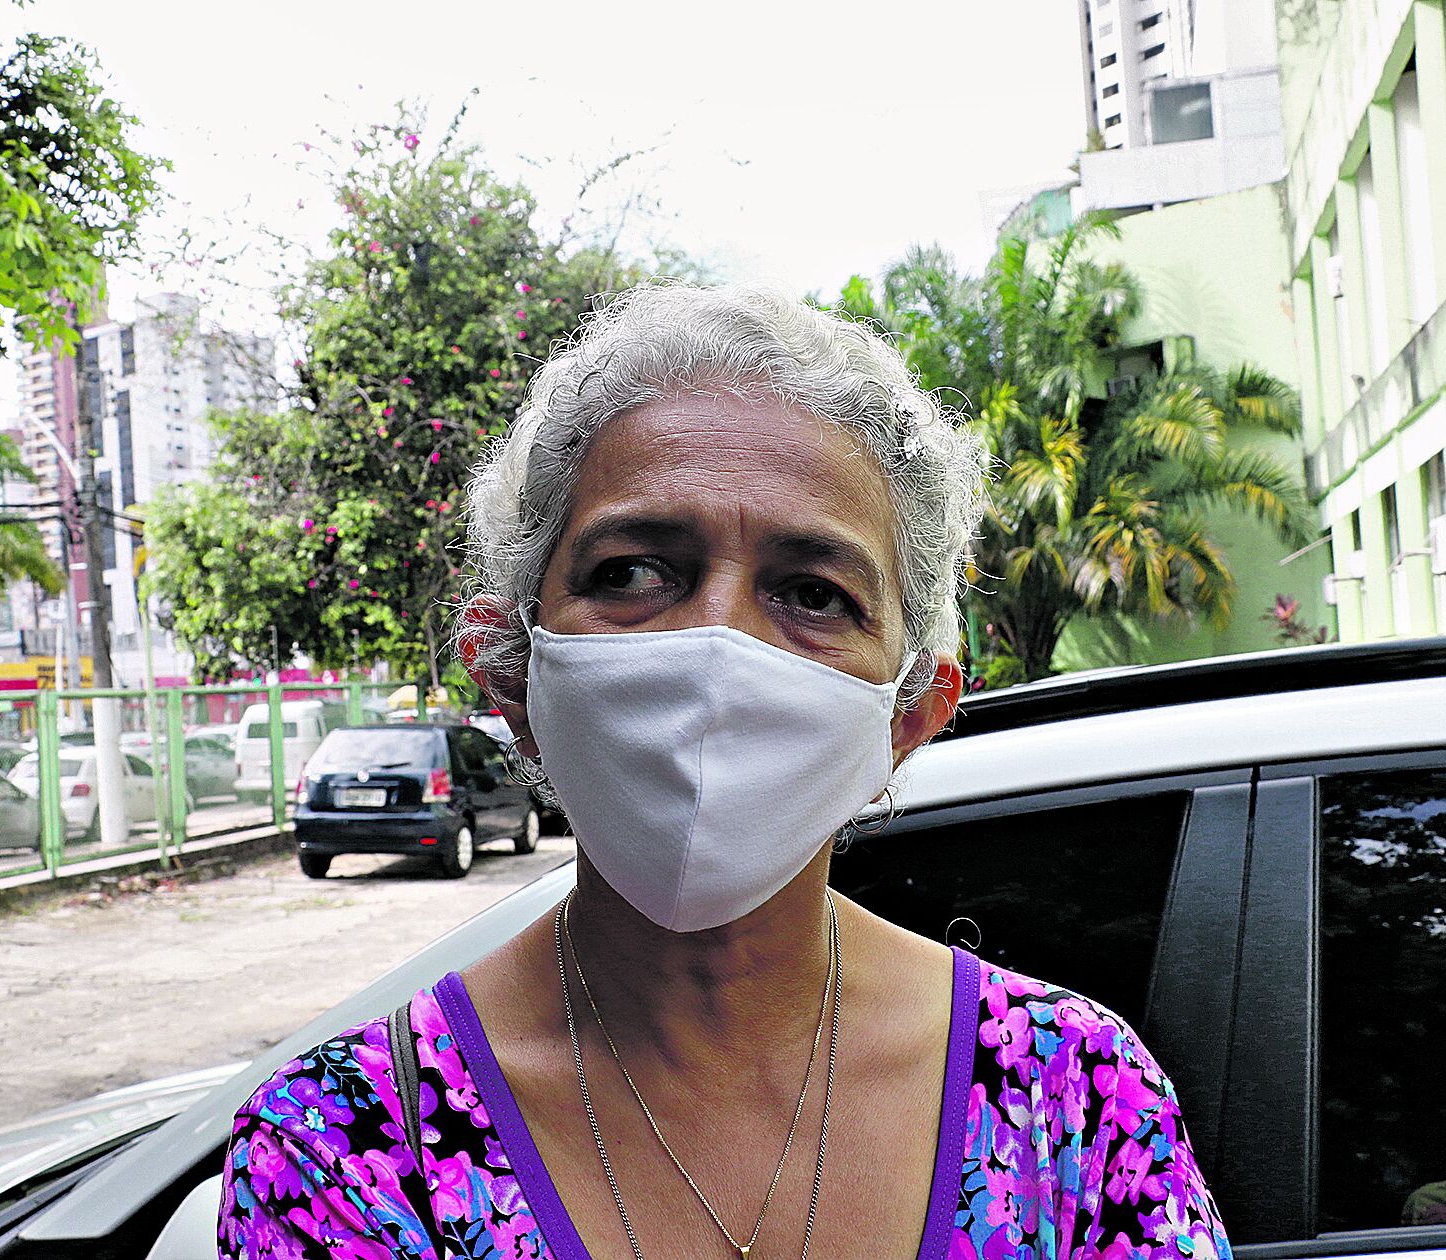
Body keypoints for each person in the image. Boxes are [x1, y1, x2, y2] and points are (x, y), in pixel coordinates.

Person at [218, 284, 1228, 1260]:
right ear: (515, 674)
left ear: (910, 715)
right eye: (632, 572)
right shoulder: (343, 1148)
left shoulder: (1076, 1100)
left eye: (813, 593)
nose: (718, 649)